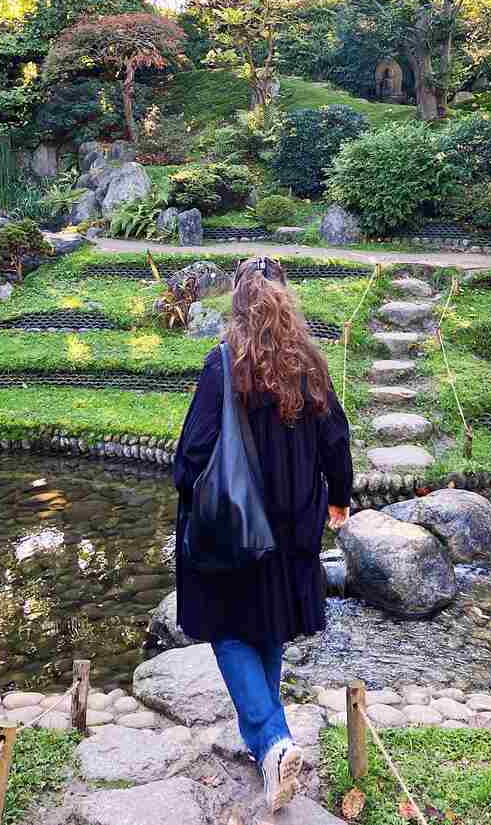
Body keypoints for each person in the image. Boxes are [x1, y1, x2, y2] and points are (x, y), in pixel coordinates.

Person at [173, 256, 353, 813]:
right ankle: (267, 746)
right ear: (286, 303)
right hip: (294, 526)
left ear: (239, 306)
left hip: (234, 527)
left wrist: (188, 495)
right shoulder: (311, 367)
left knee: (229, 631)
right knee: (269, 628)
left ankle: (273, 741)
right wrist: (339, 500)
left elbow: (192, 456)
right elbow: (337, 443)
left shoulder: (223, 365)